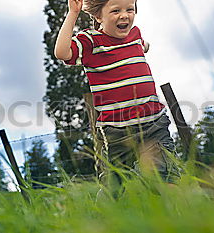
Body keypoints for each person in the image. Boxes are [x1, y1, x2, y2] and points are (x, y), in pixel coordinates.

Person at [54, 0, 181, 185]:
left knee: (166, 179)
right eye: (115, 11)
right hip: (117, 132)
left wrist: (145, 46)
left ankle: (175, 211)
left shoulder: (135, 34)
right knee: (114, 189)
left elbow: (144, 44)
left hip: (154, 124)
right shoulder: (90, 42)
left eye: (130, 9)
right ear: (98, 16)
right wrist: (73, 13)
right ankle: (105, 212)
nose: (124, 15)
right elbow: (61, 52)